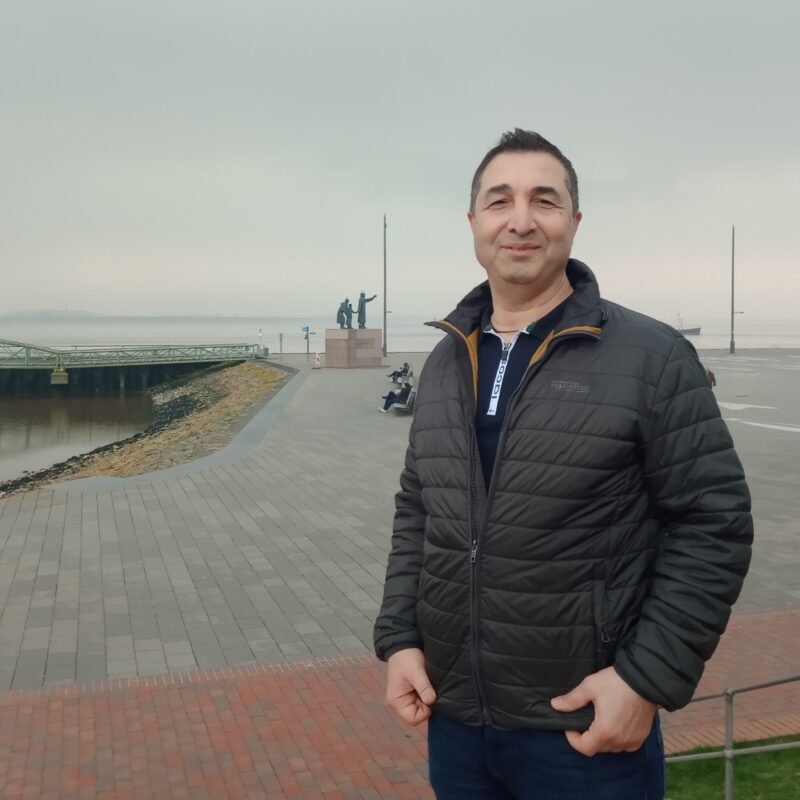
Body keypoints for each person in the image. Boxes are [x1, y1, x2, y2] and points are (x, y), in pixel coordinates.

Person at [373, 129, 753, 800]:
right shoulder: (444, 360)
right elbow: (418, 510)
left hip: (584, 733)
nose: (521, 219)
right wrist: (401, 639)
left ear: (573, 223)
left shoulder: (650, 356)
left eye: (544, 200)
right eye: (500, 201)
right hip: (457, 725)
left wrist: (644, 681)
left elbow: (712, 524)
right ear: (473, 223)